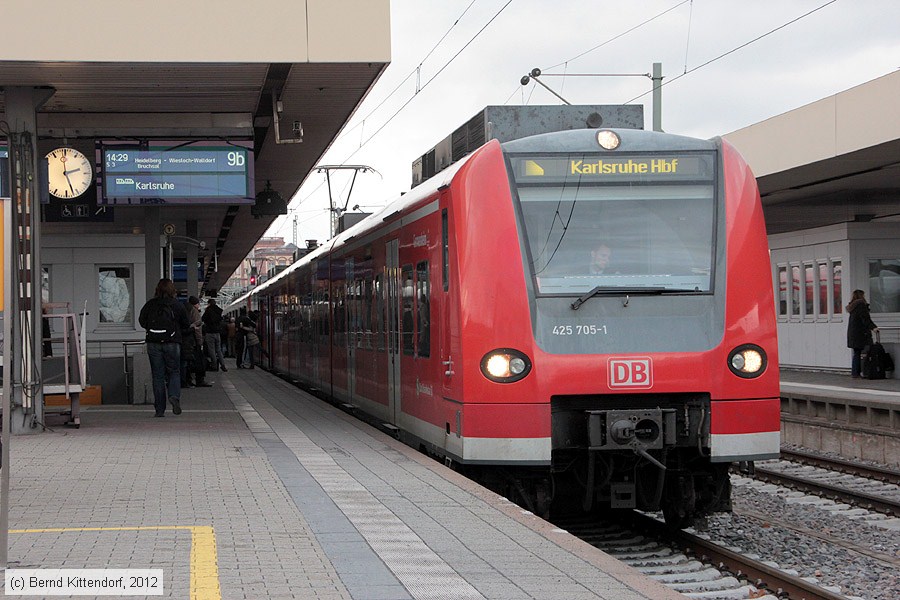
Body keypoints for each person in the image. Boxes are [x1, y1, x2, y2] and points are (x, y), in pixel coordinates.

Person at [138, 278, 190, 417]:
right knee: (174, 372)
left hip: (153, 343)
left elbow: (142, 321)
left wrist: (152, 329)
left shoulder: (150, 304)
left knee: (158, 376)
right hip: (172, 342)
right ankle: (174, 396)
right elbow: (186, 323)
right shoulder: (177, 305)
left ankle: (159, 410)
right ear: (173, 290)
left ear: (157, 290)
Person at [846, 289, 878, 378]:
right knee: (867, 352)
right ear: (861, 296)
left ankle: (855, 373)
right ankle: (865, 371)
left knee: (856, 353)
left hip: (854, 334)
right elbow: (865, 318)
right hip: (861, 334)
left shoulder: (852, 306)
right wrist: (873, 327)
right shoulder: (860, 305)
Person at [182, 296, 212, 387]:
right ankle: (199, 380)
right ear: (196, 304)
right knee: (199, 361)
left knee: (186, 362)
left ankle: (187, 380)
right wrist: (200, 341)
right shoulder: (194, 312)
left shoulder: (184, 309)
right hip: (193, 340)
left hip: (184, 340)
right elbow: (198, 328)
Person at [202, 298, 227, 372]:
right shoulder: (219, 311)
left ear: (209, 303)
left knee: (211, 350)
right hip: (217, 333)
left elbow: (203, 319)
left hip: (210, 333)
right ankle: (223, 365)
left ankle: (214, 365)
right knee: (218, 350)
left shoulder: (208, 310)